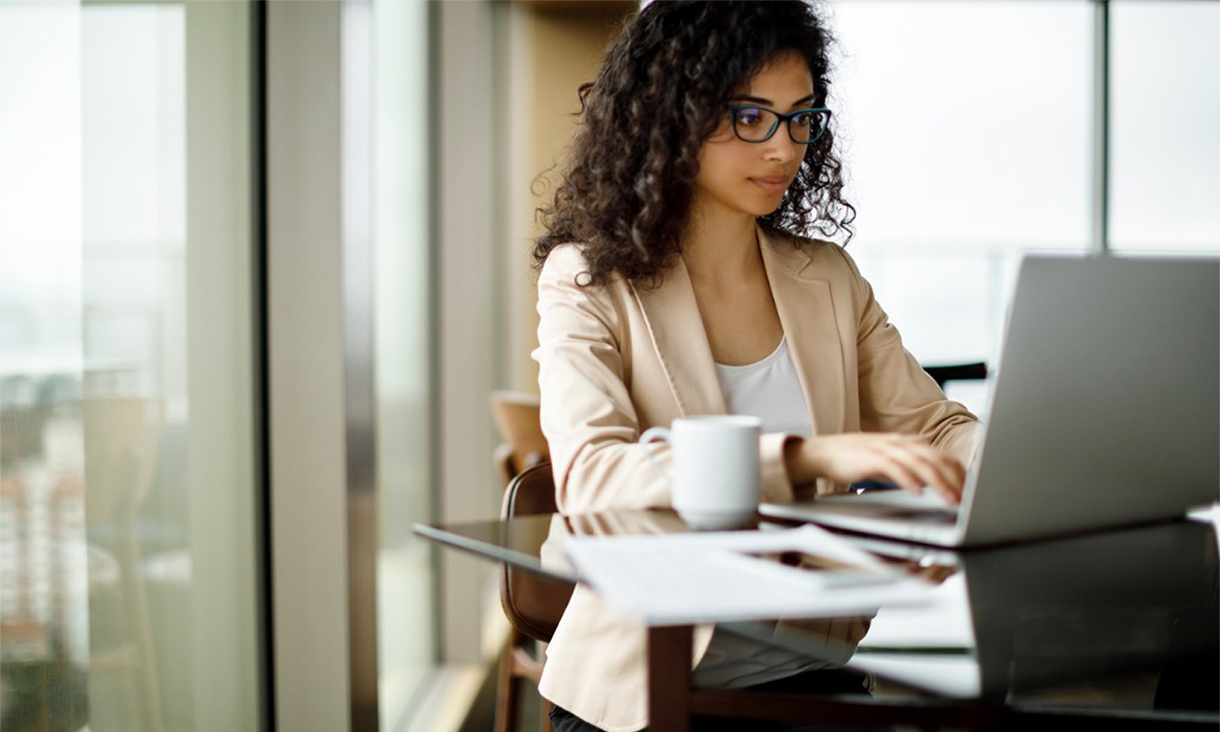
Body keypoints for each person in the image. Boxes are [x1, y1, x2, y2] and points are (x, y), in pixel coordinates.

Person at [531, 2, 981, 730]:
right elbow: (592, 476)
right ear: (670, 116)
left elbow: (933, 426)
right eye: (750, 117)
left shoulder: (827, 278)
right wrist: (805, 457)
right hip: (646, 692)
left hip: (808, 673)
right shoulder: (588, 278)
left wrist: (1015, 465)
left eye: (801, 118)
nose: (783, 148)